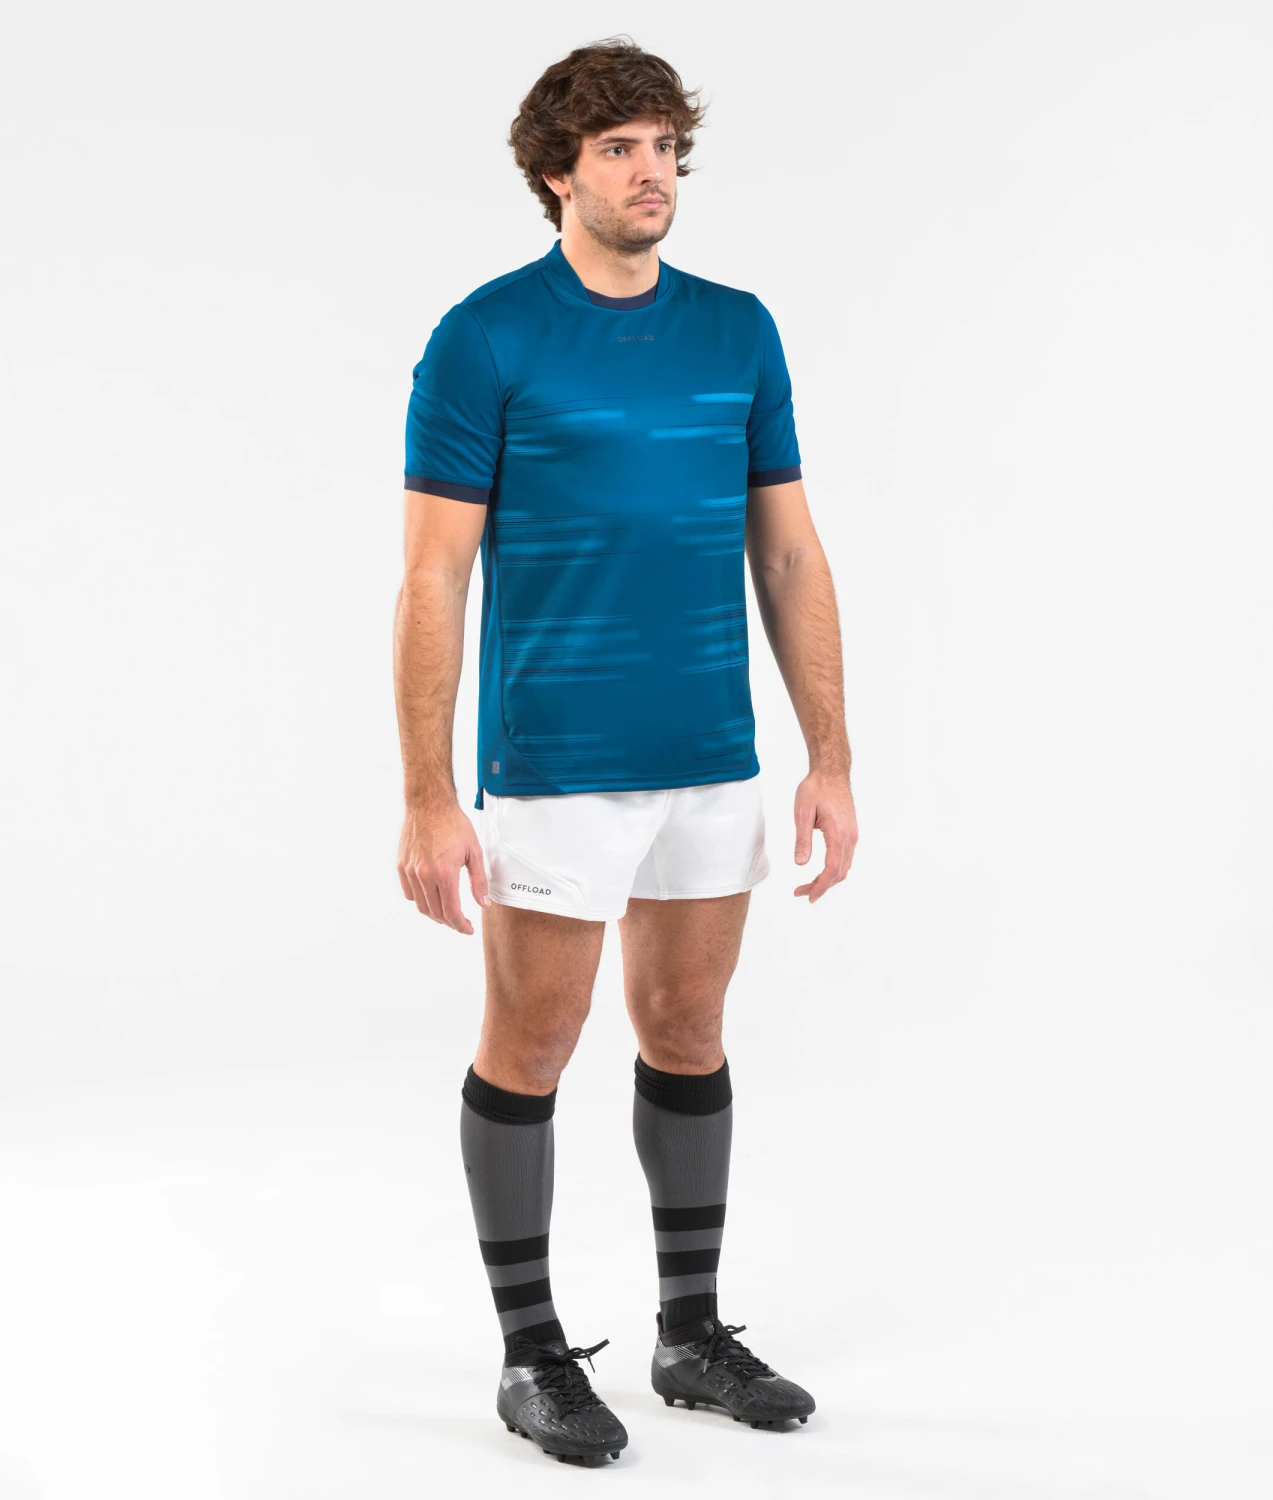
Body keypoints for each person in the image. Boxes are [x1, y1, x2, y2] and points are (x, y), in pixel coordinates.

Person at [393, 37, 857, 1465]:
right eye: (620, 150)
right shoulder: (486, 338)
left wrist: (829, 757)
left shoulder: (739, 331)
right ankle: (531, 1355)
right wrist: (428, 795)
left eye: (666, 148)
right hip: (557, 758)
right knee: (535, 1040)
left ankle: (689, 1334)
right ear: (558, 173)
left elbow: (789, 552)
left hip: (711, 747)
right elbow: (433, 578)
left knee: (689, 1029)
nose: (653, 174)